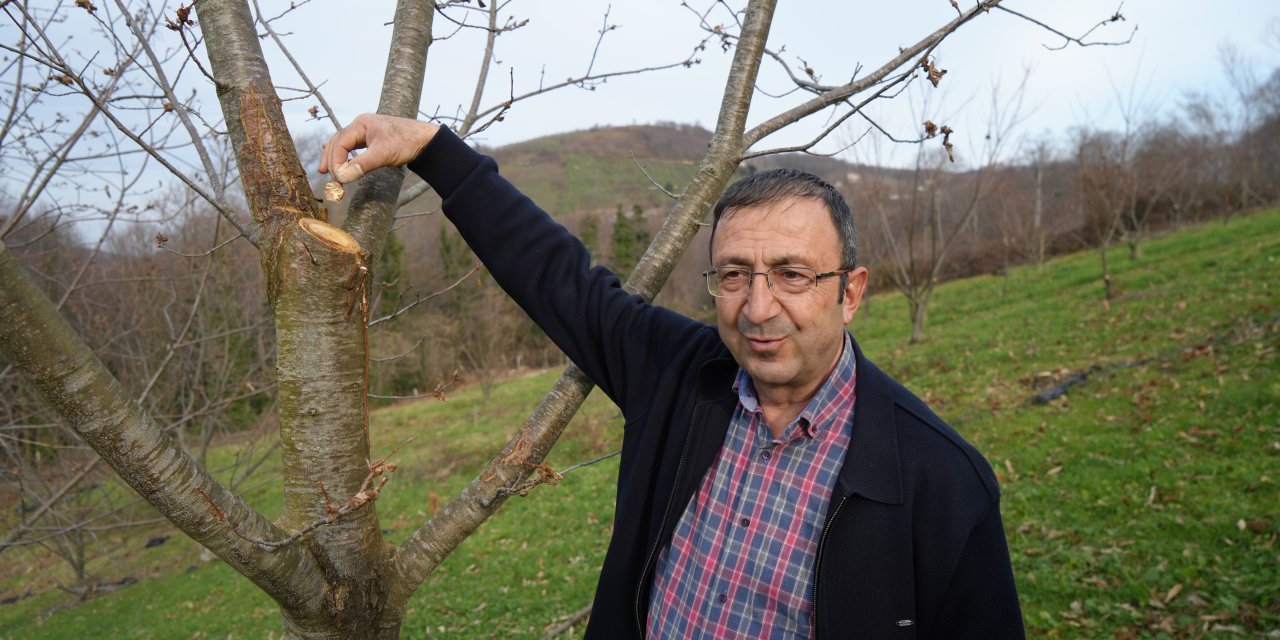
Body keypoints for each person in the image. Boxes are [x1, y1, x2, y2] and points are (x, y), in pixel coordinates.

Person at [320, 114, 1024, 639]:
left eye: (792, 275)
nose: (757, 307)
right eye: (734, 275)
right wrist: (435, 152)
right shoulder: (680, 378)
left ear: (851, 290)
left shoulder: (941, 483)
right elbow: (562, 280)